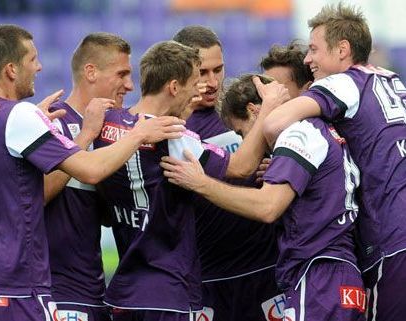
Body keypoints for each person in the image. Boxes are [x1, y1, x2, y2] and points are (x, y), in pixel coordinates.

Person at [0, 24, 185, 321]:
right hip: (31, 288)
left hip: (64, 288)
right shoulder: (27, 117)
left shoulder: (11, 119)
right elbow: (79, 176)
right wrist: (130, 135)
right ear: (11, 69)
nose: (39, 67)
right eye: (32, 60)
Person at [95, 40, 289, 321]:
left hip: (125, 293)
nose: (198, 92)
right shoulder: (172, 135)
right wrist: (269, 105)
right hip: (170, 288)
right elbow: (240, 166)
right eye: (193, 84)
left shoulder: (106, 124)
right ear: (174, 87)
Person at [161, 73, 366, 321]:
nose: (247, 140)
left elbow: (268, 207)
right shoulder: (321, 129)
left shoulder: (298, 134)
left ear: (253, 110)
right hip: (336, 273)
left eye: (241, 131)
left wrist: (201, 183)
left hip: (319, 275)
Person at [255, 3, 406, 320]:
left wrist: (284, 159)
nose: (308, 59)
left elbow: (274, 124)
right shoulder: (394, 81)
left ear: (342, 50)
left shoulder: (343, 82)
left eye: (313, 49)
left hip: (392, 239)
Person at [173, 25, 282, 321]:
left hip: (266, 270)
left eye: (218, 70)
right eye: (202, 72)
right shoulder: (171, 126)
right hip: (207, 278)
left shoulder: (245, 109)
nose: (212, 82)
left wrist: (278, 163)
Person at [43, 32, 134, 321]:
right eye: (122, 74)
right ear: (91, 72)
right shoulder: (50, 122)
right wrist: (85, 136)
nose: (129, 85)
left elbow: (106, 214)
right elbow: (37, 194)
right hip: (56, 291)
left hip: (95, 292)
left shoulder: (112, 133)